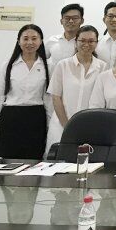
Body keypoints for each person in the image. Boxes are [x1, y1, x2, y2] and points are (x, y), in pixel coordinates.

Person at [0, 24, 50, 159]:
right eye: (25, 38)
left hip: (36, 117)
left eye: (34, 38)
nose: (30, 42)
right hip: (11, 117)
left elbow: (48, 99)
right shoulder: (8, 65)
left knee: (33, 158)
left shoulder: (47, 66)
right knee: (8, 158)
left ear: (41, 41)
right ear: (19, 41)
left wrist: (50, 126)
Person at [46, 25, 108, 154]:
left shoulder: (103, 67)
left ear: (96, 43)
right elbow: (56, 97)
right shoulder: (63, 65)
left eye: (91, 41)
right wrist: (67, 126)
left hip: (89, 127)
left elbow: (103, 100)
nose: (86, 44)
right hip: (61, 125)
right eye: (82, 40)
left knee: (85, 161)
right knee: (57, 161)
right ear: (76, 41)